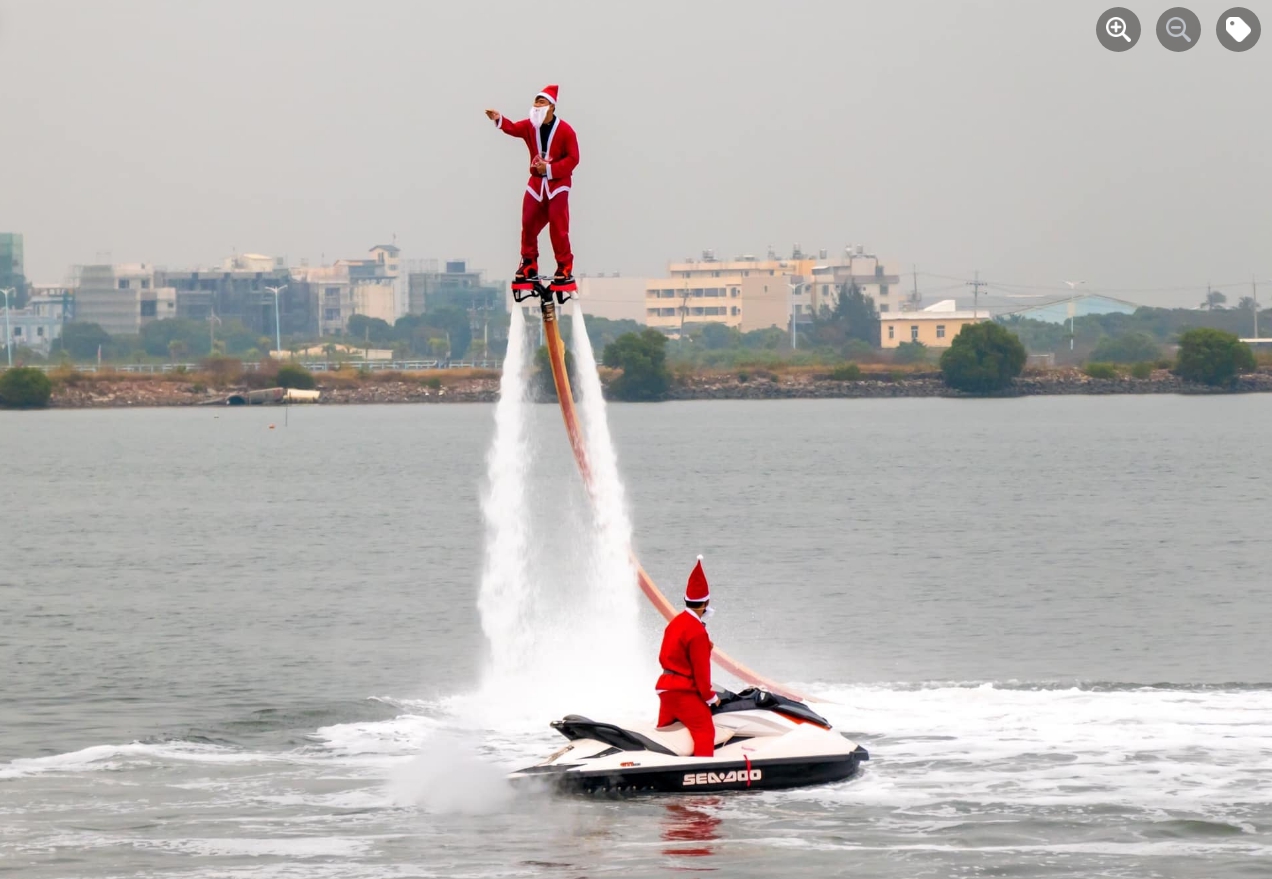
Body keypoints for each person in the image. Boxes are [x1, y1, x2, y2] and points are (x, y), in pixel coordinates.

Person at [484, 84, 579, 296]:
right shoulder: (530, 126)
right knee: (527, 221)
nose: (537, 106)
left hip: (558, 183)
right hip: (536, 182)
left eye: (541, 102)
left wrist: (551, 169)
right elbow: (514, 128)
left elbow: (574, 158)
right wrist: (499, 119)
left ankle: (564, 266)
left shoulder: (566, 131)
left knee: (558, 223)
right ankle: (529, 263)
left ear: (552, 107)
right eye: (535, 102)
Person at [655, 555, 719, 757]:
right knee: (705, 730)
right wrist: (711, 698)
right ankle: (704, 775)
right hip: (683, 692)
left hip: (665, 688)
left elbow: (670, 655)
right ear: (705, 603)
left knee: (665, 736)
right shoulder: (698, 631)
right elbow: (701, 673)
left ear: (686, 600)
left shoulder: (675, 622)